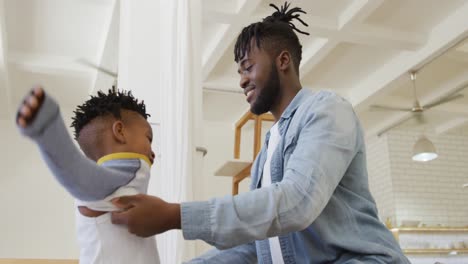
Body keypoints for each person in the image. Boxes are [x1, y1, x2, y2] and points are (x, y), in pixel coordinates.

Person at [111, 2, 410, 263]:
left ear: (283, 61)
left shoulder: (327, 110)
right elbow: (259, 246)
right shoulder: (269, 149)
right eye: (240, 72)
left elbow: (297, 203)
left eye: (247, 67)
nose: (241, 81)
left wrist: (174, 215)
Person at [16, 87, 161, 264]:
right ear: (120, 132)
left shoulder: (120, 187)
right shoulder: (125, 176)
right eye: (149, 138)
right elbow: (78, 173)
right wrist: (49, 129)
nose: (153, 153)